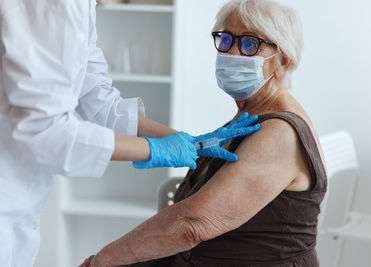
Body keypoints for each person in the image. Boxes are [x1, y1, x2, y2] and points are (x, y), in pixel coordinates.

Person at [0, 0, 260, 266]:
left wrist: (192, 142)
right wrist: (156, 149)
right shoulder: (57, 5)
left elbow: (100, 100)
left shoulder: (80, 7)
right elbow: (47, 133)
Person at [80, 0, 328, 266]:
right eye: (225, 40)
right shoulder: (252, 114)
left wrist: (103, 260)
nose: (232, 52)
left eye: (248, 44)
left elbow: (192, 224)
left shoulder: (280, 133)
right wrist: (189, 146)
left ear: (283, 62)